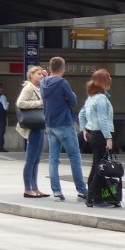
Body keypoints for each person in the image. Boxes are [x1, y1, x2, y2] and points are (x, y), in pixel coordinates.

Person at [40, 55, 87, 201]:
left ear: (50, 68)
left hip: (50, 124)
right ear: (63, 69)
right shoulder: (62, 83)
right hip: (65, 124)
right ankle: (81, 190)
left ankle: (57, 191)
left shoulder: (43, 83)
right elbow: (73, 100)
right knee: (74, 157)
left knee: (53, 159)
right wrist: (66, 97)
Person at [80, 68, 116, 208]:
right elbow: (103, 119)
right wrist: (108, 138)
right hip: (101, 135)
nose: (111, 79)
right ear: (104, 81)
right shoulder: (101, 98)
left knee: (96, 166)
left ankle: (95, 196)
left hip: (93, 134)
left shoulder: (91, 98)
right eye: (108, 77)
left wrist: (85, 129)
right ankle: (93, 197)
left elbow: (81, 115)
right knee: (100, 168)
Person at [17, 65, 49, 198]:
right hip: (32, 126)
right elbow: (20, 103)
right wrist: (38, 103)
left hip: (39, 126)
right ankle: (28, 188)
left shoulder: (39, 87)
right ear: (31, 75)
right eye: (38, 74)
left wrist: (47, 78)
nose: (41, 76)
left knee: (36, 159)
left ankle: (35, 187)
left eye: (42, 74)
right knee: (31, 159)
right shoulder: (29, 87)